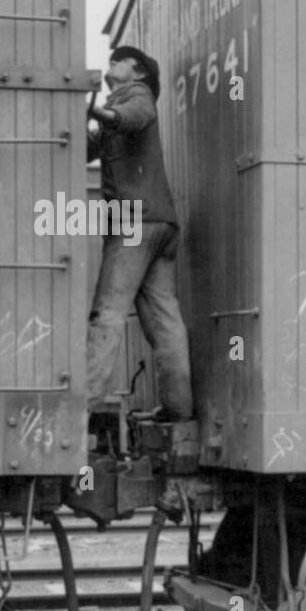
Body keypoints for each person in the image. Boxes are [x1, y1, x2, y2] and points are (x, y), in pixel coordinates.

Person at [86, 46, 193, 420]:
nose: (111, 61)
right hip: (160, 223)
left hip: (135, 222)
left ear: (139, 72)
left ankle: (82, 407)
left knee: (108, 312)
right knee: (164, 320)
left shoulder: (138, 96)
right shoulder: (113, 116)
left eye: (121, 59)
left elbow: (136, 114)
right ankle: (179, 409)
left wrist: (101, 111)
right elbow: (85, 147)